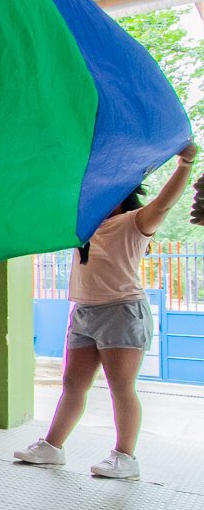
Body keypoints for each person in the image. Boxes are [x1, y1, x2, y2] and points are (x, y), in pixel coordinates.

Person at [14, 143, 197, 479]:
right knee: (72, 384)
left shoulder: (135, 222)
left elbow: (166, 202)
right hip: (84, 311)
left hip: (122, 311)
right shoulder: (82, 228)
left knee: (120, 386)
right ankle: (52, 447)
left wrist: (185, 164)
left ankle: (125, 457)